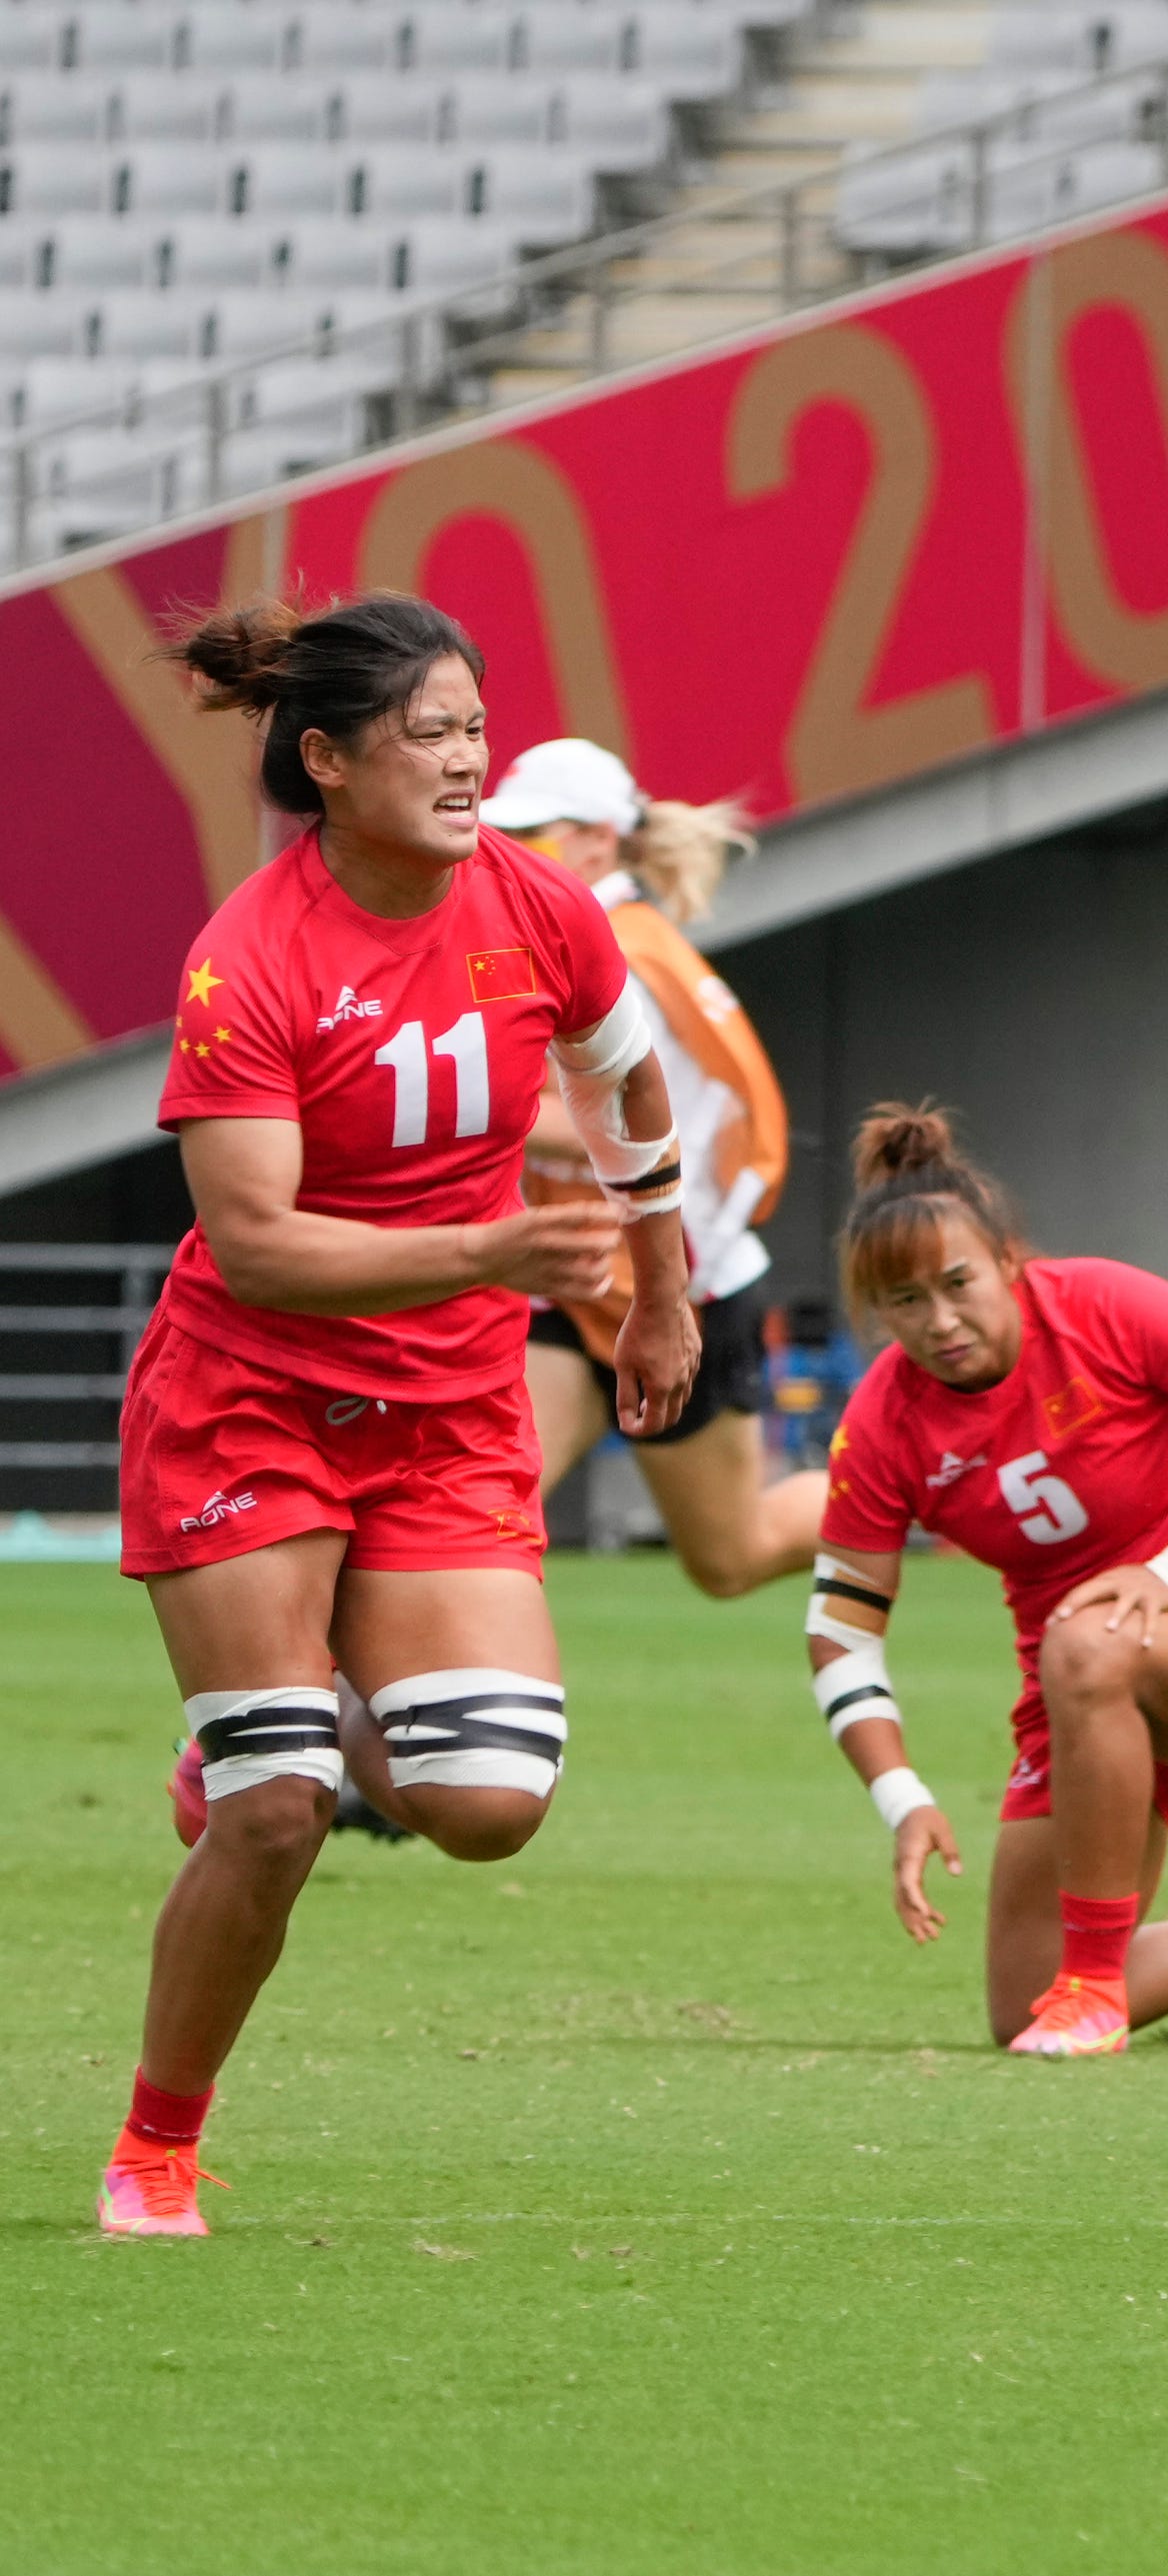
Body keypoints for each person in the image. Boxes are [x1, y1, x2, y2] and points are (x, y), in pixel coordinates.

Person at [102, 594, 700, 2237]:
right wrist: (494, 1248)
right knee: (277, 1807)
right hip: (248, 1400)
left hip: (443, 1411)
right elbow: (258, 1245)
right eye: (428, 734)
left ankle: (305, 1707)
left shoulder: (541, 905)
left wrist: (660, 1284)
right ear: (330, 762)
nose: (464, 761)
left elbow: (625, 1079)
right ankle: (157, 2147)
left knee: (493, 1801)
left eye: (474, 731)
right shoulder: (253, 953)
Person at [803, 1106, 1168, 2058]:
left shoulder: (1101, 1304)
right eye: (905, 1301)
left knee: (1085, 1642)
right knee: (1018, 2013)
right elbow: (840, 1632)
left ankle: (1094, 1990)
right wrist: (901, 1793)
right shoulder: (881, 1422)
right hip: (1077, 1685)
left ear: (1006, 1260)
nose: (941, 1321)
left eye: (957, 1283)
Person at [488, 735, 823, 1597]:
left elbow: (652, 1135)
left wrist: (473, 1107)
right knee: (480, 1507)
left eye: (535, 832)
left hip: (682, 1285)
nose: (510, 851)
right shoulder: (582, 937)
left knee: (730, 1558)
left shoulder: (621, 955)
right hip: (573, 1281)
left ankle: (918, 1485)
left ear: (600, 838)